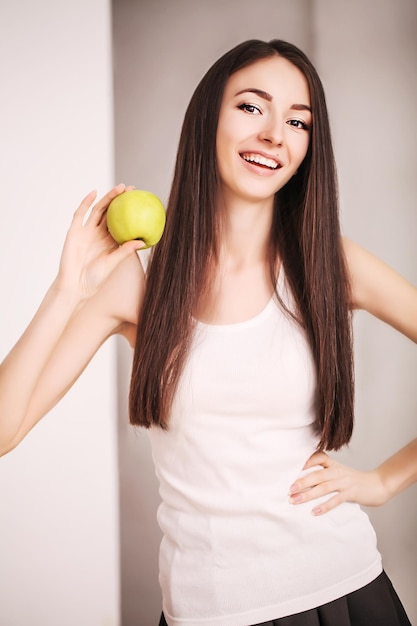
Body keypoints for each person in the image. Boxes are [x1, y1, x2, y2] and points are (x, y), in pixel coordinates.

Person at [0, 39, 416, 626]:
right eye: (252, 107)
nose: (275, 133)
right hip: (206, 610)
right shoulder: (139, 281)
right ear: (206, 121)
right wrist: (67, 289)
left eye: (298, 121)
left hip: (340, 592)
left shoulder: (328, 265)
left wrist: (382, 481)